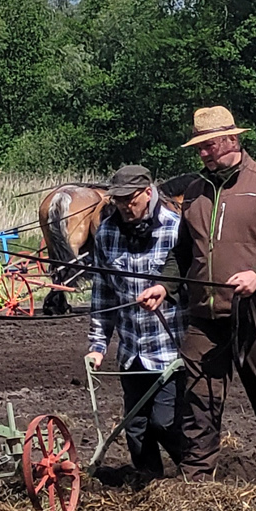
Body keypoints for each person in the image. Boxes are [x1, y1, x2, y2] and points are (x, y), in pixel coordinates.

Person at [146, 106, 256, 487]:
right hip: (205, 318)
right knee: (198, 405)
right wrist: (164, 285)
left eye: (208, 145)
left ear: (232, 140)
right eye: (199, 147)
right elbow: (182, 253)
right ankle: (196, 492)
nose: (202, 153)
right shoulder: (195, 193)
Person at [84, 164, 187, 477]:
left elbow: (190, 284)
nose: (125, 206)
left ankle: (194, 475)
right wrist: (98, 344)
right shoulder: (107, 233)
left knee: (164, 422)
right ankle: (149, 486)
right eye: (118, 200)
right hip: (132, 350)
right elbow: (103, 294)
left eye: (131, 199)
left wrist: (165, 290)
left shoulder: (175, 228)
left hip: (171, 349)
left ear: (147, 192)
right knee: (137, 427)